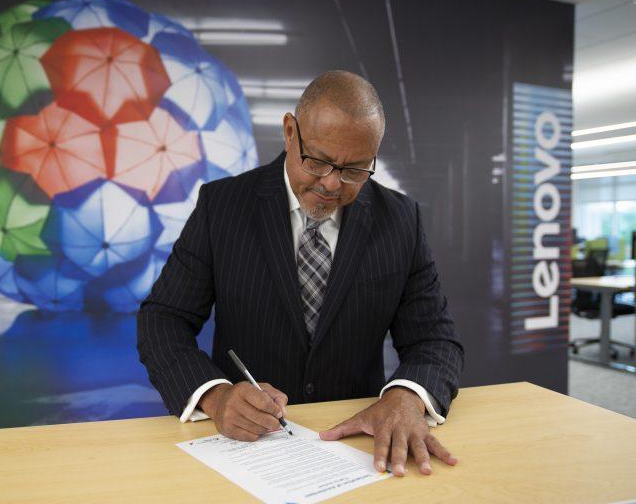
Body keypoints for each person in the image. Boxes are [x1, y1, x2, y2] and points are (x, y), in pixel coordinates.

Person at [137, 70, 464, 477]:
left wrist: (407, 396)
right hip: (244, 450)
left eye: (355, 169)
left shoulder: (400, 219)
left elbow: (435, 338)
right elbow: (163, 318)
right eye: (319, 161)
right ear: (290, 132)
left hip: (359, 448)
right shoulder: (222, 206)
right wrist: (216, 397)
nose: (331, 184)